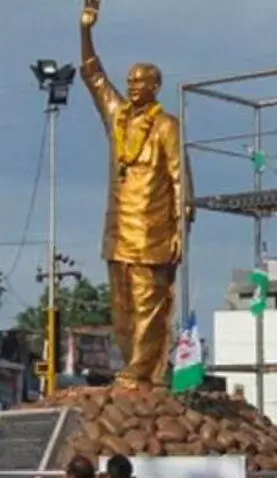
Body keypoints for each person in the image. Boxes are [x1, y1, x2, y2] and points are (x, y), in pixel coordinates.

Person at [79, 0, 194, 390]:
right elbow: (94, 78)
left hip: (154, 230)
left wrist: (181, 228)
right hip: (118, 229)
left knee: (150, 304)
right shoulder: (118, 117)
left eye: (139, 82)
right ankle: (133, 368)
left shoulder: (166, 126)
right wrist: (86, 30)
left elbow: (181, 179)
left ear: (156, 86)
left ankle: (144, 372)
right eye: (128, 82)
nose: (131, 87)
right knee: (122, 307)